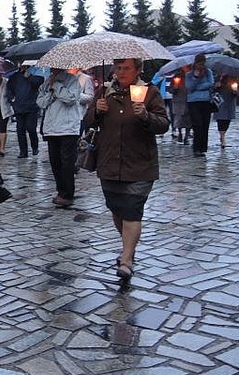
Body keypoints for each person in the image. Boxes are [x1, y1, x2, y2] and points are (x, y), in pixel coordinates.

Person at [84, 58, 169, 284]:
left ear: (138, 70)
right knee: (117, 208)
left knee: (132, 209)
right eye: (118, 68)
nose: (121, 72)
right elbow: (86, 123)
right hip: (109, 160)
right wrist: (96, 111)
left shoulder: (149, 92)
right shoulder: (104, 91)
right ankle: (128, 249)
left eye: (126, 68)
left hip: (139, 163)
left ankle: (127, 259)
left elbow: (163, 124)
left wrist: (145, 116)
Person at [37, 69, 83, 208]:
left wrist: (56, 86)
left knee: (67, 163)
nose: (52, 70)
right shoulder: (47, 82)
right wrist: (52, 92)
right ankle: (60, 191)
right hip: (51, 128)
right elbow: (41, 102)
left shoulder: (72, 80)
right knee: (55, 162)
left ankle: (68, 193)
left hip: (68, 127)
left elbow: (70, 99)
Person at [6, 62, 44, 158]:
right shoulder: (15, 77)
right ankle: (23, 151)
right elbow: (9, 89)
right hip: (19, 107)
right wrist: (12, 100)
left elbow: (39, 82)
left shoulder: (35, 74)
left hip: (31, 107)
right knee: (20, 130)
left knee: (31, 128)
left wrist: (29, 76)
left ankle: (35, 147)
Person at [186, 53, 215, 157]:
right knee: (197, 125)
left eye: (202, 64)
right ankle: (196, 148)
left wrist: (199, 87)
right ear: (195, 63)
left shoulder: (208, 72)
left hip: (206, 101)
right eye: (199, 64)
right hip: (193, 102)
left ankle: (202, 148)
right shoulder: (189, 74)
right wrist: (196, 78)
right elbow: (190, 87)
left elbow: (211, 83)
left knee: (205, 125)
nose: (201, 66)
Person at [214, 74, 238, 149]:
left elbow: (238, 92)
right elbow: (212, 90)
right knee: (220, 120)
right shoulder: (217, 78)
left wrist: (235, 91)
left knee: (227, 121)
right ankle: (223, 138)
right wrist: (216, 86)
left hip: (229, 103)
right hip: (220, 102)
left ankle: (222, 135)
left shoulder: (234, 79)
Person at [169, 68, 191, 144]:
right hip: (178, 100)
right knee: (179, 118)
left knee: (188, 118)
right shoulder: (176, 76)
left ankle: (186, 136)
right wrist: (174, 88)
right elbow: (170, 89)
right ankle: (180, 134)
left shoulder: (191, 76)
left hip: (189, 99)